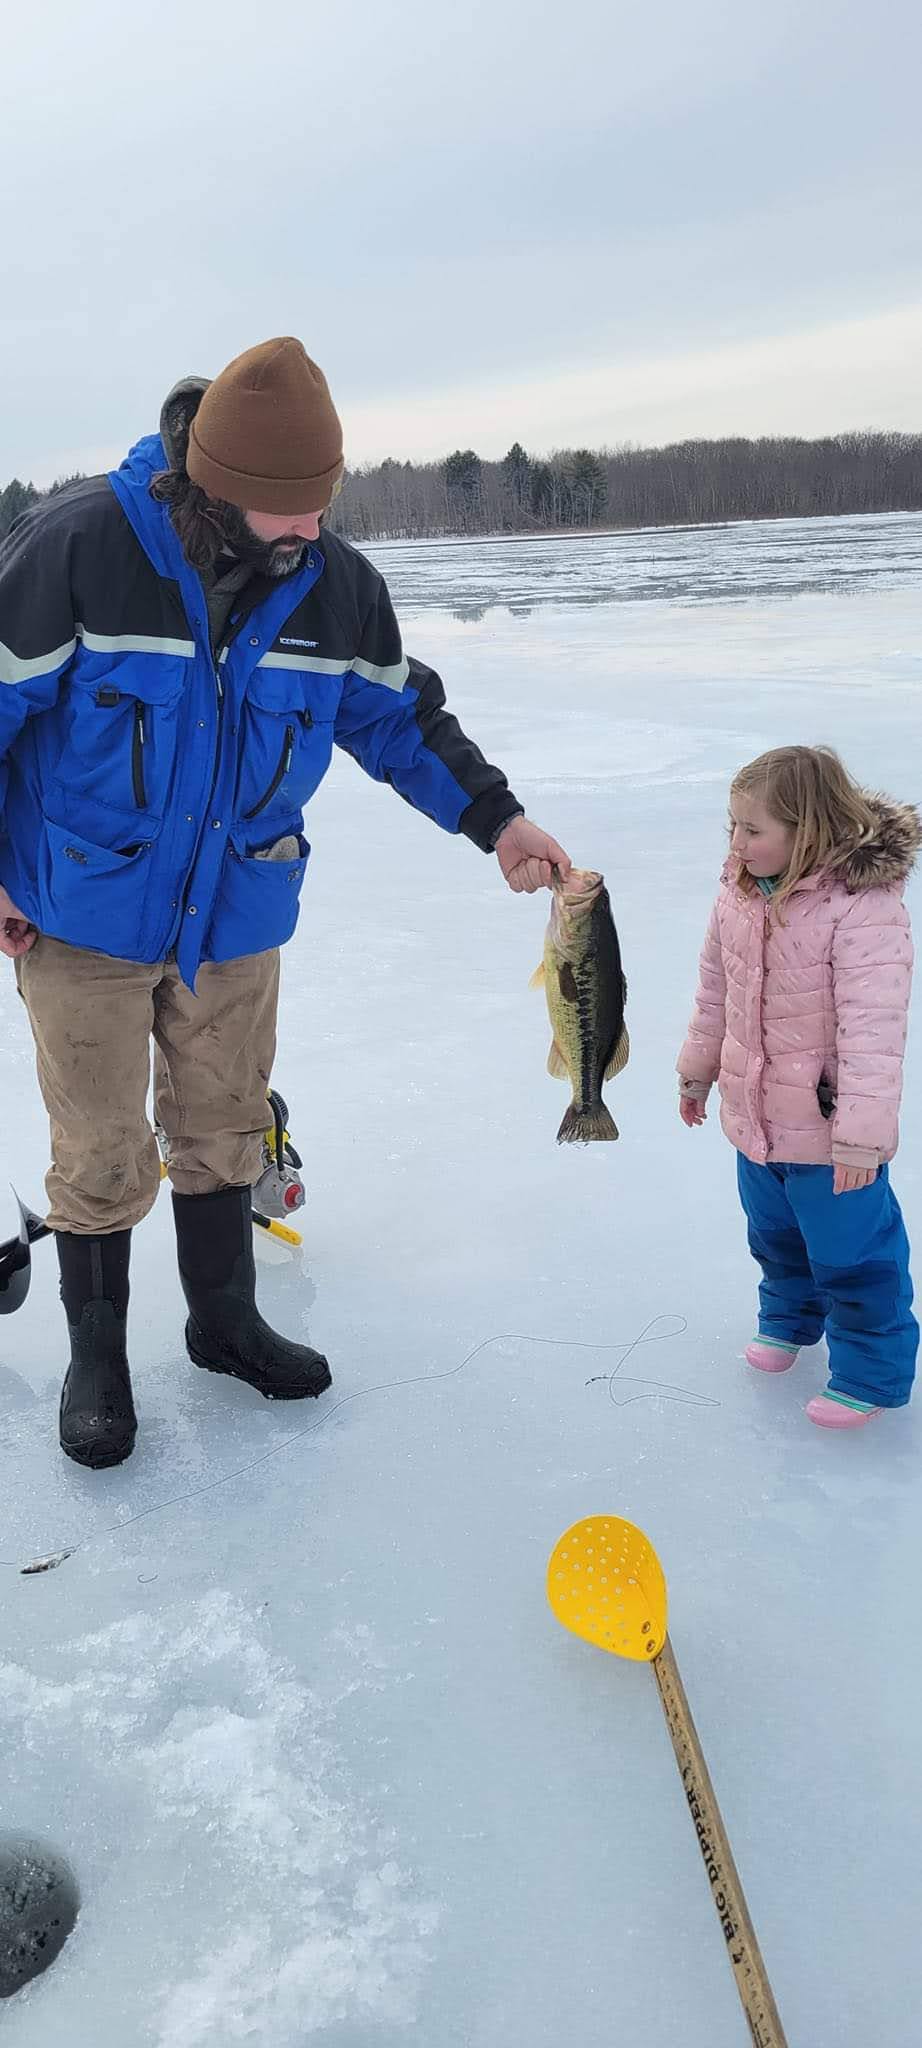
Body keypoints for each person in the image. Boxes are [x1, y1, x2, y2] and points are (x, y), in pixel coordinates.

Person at [0, 336, 570, 1470]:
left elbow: (399, 722)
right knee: (102, 1145)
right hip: (80, 912)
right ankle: (99, 1361)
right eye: (288, 509)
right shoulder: (76, 551)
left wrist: (497, 821)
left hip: (238, 914)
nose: (312, 527)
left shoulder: (335, 587)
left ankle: (223, 1321)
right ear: (217, 489)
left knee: (225, 1124)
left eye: (322, 503)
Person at [677, 745, 919, 1429]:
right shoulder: (736, 894)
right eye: (731, 826)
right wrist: (697, 1074)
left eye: (753, 830)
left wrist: (861, 1141)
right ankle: (788, 1321)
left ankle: (870, 1372)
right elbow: (714, 994)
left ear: (806, 829)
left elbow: (875, 1034)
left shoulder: (861, 910)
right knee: (775, 1235)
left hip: (830, 1129)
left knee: (854, 1256)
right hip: (755, 1117)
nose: (736, 842)